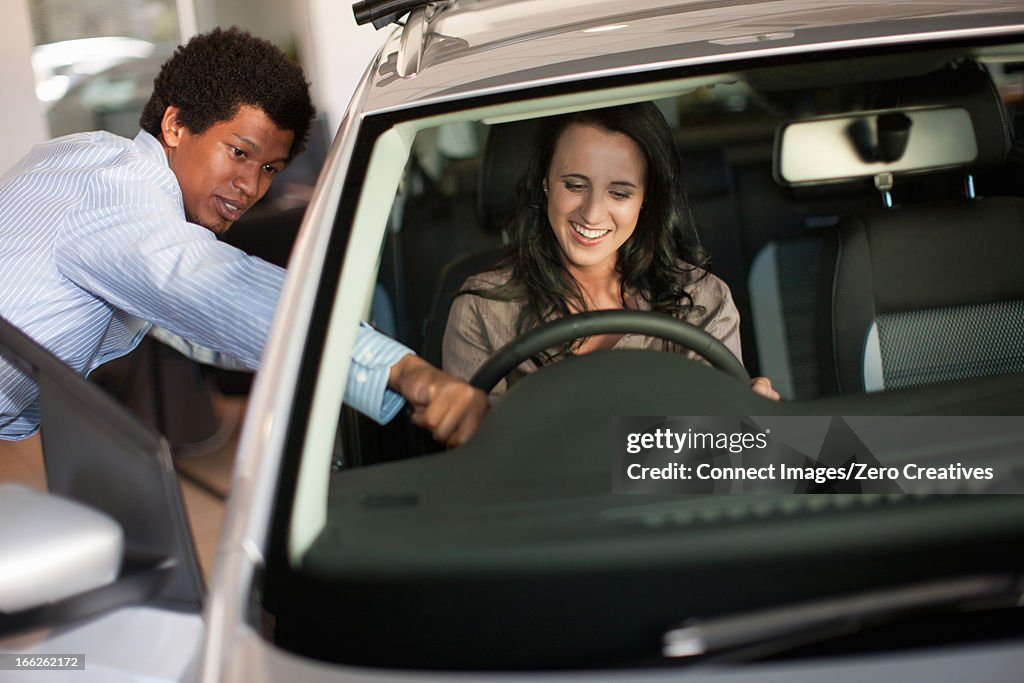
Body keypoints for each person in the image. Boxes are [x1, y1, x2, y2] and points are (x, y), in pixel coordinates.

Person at [0, 27, 486, 452]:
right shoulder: (119, 193)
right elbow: (213, 287)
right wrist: (400, 369)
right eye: (238, 152)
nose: (251, 187)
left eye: (269, 169)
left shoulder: (82, 159)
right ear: (175, 125)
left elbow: (203, 324)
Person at [442, 102, 778, 400]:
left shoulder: (701, 296)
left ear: (647, 199)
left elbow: (715, 456)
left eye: (619, 193)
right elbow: (480, 465)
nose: (592, 214)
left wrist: (758, 440)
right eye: (574, 185)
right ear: (545, 181)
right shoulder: (482, 309)